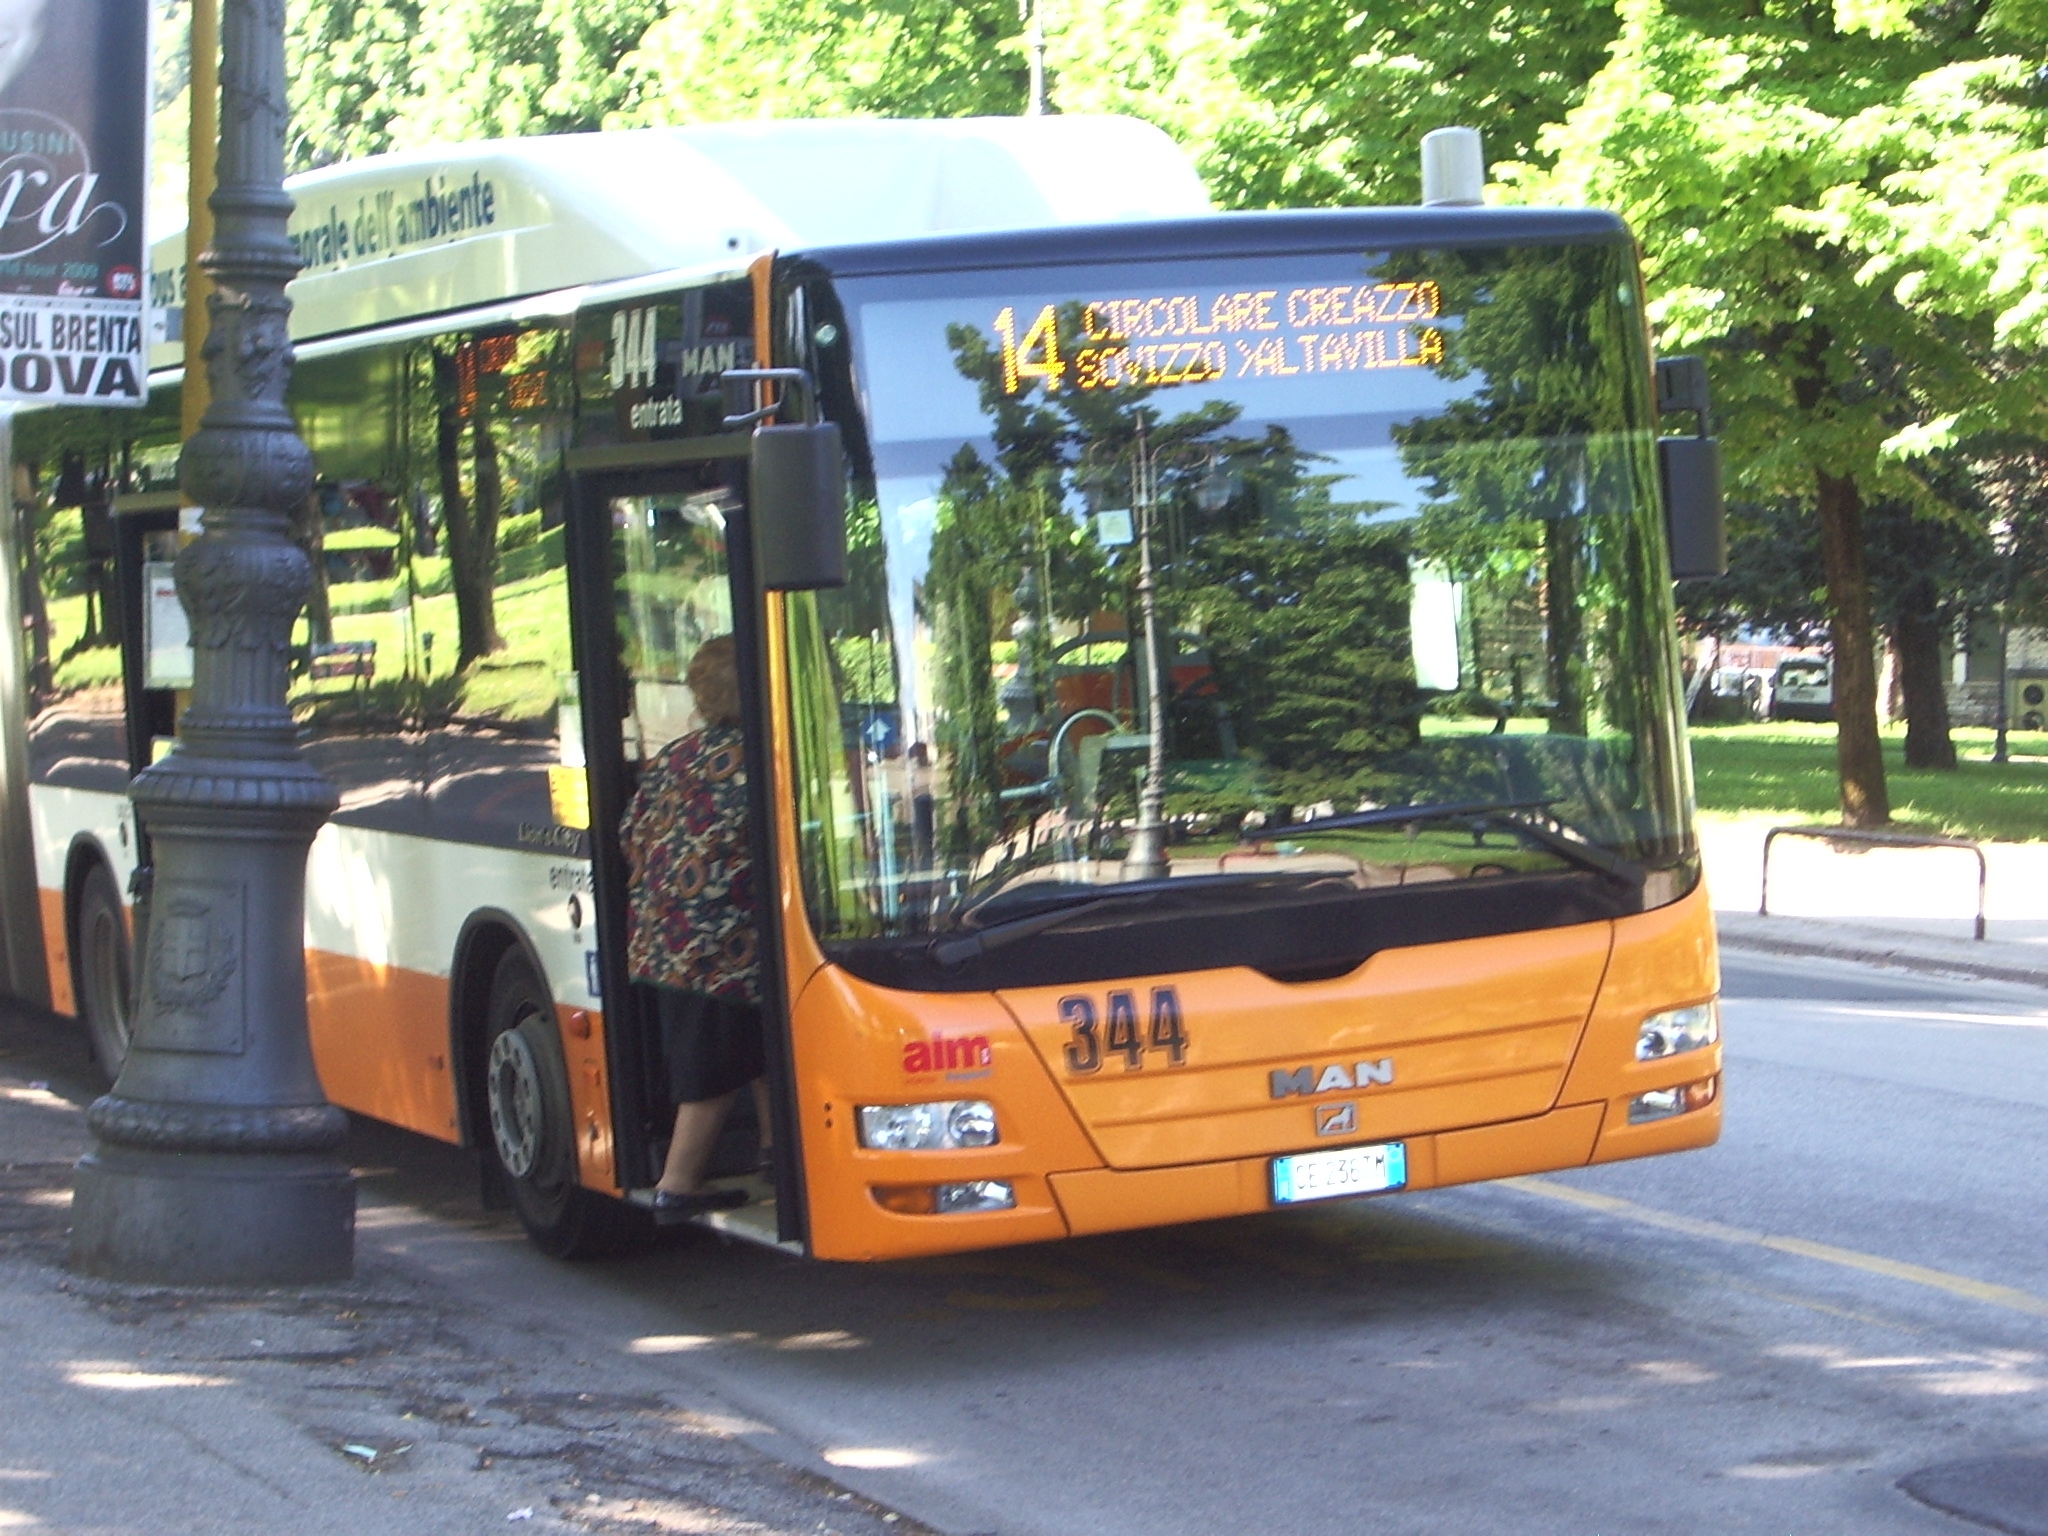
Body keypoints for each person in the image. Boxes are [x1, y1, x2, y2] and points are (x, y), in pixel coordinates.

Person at [619, 635, 770, 1222]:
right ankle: (677, 1186)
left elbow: (631, 835)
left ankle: (776, 1150)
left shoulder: (675, 758)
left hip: (666, 940)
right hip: (728, 947)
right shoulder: (762, 759)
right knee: (714, 1069)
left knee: (762, 1044)